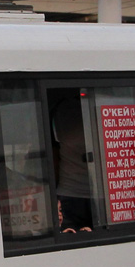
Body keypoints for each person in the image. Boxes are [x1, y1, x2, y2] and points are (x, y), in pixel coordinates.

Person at [52, 96, 94, 232]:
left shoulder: (61, 109)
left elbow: (53, 158)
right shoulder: (102, 104)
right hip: (75, 195)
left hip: (70, 192)